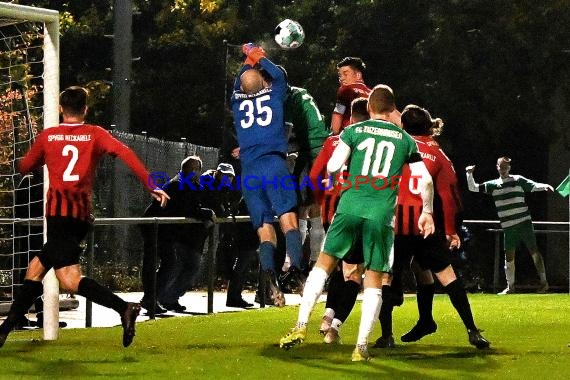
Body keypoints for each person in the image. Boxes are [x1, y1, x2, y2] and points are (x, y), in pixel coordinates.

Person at [0, 86, 169, 348]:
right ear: (85, 109)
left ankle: (124, 308)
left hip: (59, 216)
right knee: (34, 270)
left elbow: (24, 166)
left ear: (60, 108)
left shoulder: (49, 136)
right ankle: (4, 330)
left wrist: (44, 158)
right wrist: (150, 184)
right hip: (78, 217)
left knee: (68, 280)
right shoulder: (95, 134)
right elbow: (125, 152)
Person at [280, 84, 436, 362]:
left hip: (348, 209)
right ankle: (361, 347)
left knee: (323, 266)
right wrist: (427, 212)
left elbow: (330, 166)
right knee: (374, 281)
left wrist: (343, 174)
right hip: (380, 217)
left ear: (370, 108)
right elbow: (425, 179)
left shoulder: (352, 132)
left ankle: (300, 326)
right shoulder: (405, 140)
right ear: (391, 109)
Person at [374, 105, 490, 350]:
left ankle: (387, 335)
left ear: (403, 126)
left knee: (386, 277)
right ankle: (471, 330)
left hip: (397, 224)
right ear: (428, 127)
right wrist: (451, 230)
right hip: (425, 226)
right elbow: (449, 196)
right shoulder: (438, 154)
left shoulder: (395, 146)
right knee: (445, 276)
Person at [230, 44, 305, 307]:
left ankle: (271, 277)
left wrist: (247, 62)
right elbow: (278, 75)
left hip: (249, 172)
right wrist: (256, 53)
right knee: (289, 221)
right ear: (264, 81)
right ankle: (295, 269)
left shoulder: (236, 101)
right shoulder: (274, 93)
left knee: (265, 232)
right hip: (273, 165)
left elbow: (242, 80)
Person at [310, 97, 369, 345]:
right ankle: (334, 326)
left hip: (330, 213)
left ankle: (327, 315)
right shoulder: (372, 140)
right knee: (354, 273)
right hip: (358, 211)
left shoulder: (333, 141)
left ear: (350, 116)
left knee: (335, 264)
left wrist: (323, 201)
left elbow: (314, 176)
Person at [466, 157, 552, 294]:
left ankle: (544, 283)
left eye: (506, 166)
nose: (504, 169)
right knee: (509, 255)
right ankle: (510, 287)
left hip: (524, 222)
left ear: (509, 167)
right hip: (509, 226)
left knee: (534, 251)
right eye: (501, 166)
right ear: (497, 167)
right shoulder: (493, 185)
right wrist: (469, 174)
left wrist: (545, 186)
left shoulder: (518, 180)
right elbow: (473, 187)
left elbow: (534, 185)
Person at [140, 155, 212, 314]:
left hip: (163, 228)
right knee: (166, 263)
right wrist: (206, 213)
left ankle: (154, 297)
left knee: (168, 263)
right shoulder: (179, 184)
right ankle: (151, 298)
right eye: (196, 170)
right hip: (157, 227)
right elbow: (188, 208)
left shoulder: (182, 183)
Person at [200, 163, 254, 309]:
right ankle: (233, 296)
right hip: (206, 225)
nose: (228, 179)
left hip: (228, 229)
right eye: (225, 175)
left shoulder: (229, 187)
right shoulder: (207, 183)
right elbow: (216, 204)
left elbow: (227, 205)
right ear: (218, 173)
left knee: (241, 264)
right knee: (189, 262)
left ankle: (235, 296)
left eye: (230, 176)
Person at [329, 57, 372, 135]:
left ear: (358, 75)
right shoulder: (373, 93)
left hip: (350, 136)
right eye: (340, 75)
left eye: (345, 74)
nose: (341, 78)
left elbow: (338, 114)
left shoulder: (346, 89)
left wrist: (334, 134)